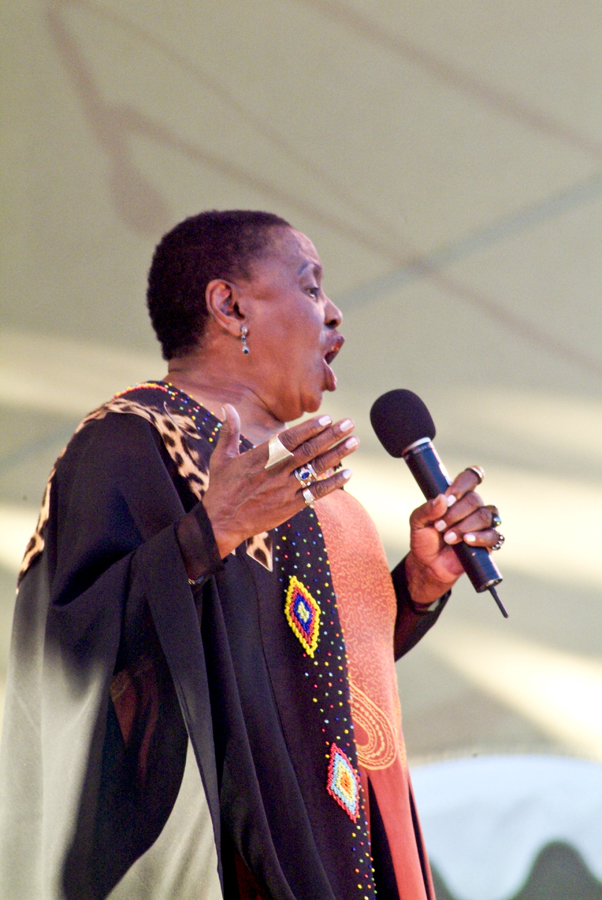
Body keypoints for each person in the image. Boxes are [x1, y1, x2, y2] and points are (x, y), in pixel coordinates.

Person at [0, 210, 503, 900]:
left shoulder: (321, 494)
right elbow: (67, 654)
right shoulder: (132, 441)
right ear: (230, 305)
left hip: (347, 856)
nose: (335, 314)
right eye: (311, 286)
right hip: (236, 866)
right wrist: (206, 536)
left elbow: (311, 680)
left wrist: (417, 586)